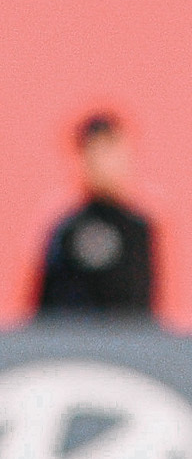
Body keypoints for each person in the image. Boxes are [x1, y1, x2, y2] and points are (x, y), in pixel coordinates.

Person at [33, 112, 158, 322]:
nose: (104, 163)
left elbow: (143, 310)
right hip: (71, 347)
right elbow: (45, 312)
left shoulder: (138, 228)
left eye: (111, 151)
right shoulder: (66, 229)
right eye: (96, 152)